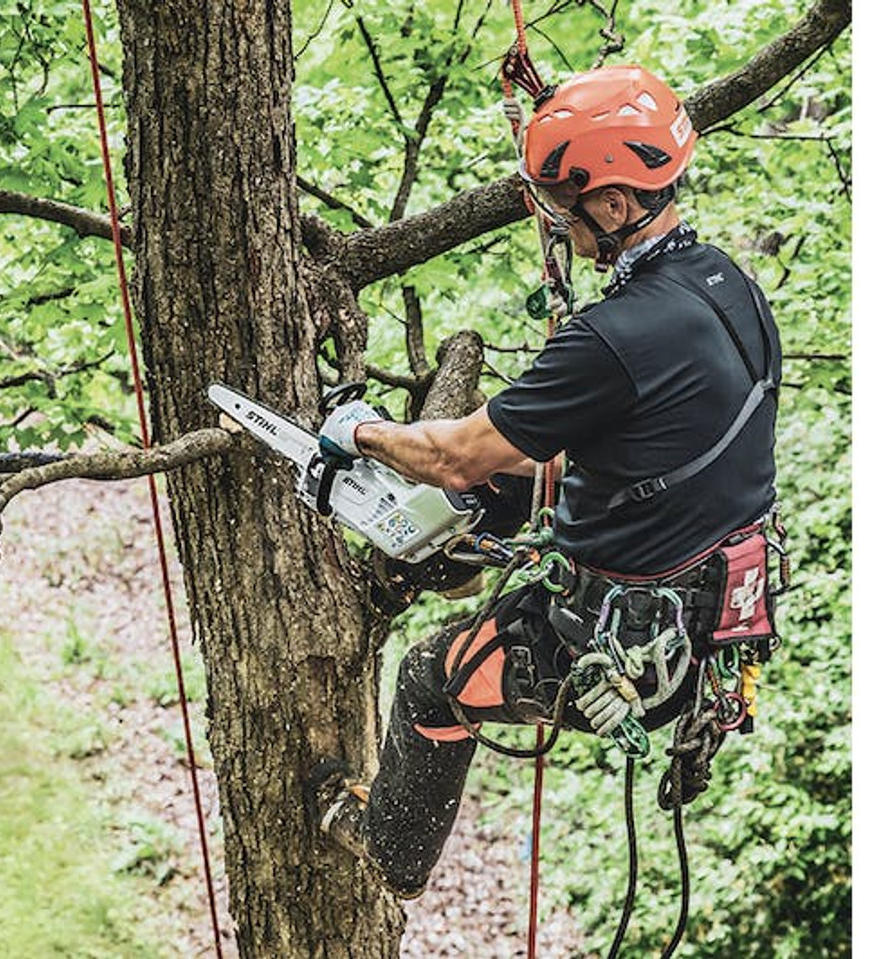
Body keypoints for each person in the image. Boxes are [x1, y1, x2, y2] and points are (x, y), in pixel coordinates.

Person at [312, 64, 784, 900]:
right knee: (490, 490)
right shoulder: (728, 283)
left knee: (430, 677)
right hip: (718, 596)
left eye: (564, 206)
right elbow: (656, 435)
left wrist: (363, 431)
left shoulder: (612, 336)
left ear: (613, 203)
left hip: (630, 639)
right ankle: (416, 561)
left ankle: (391, 850)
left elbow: (457, 453)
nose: (557, 225)